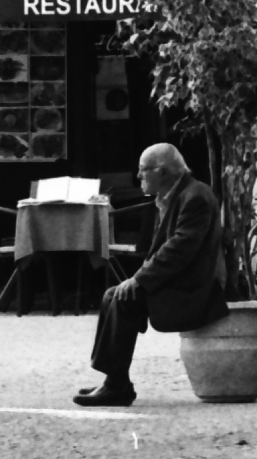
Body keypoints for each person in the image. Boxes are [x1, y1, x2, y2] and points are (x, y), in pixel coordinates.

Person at [74, 142, 230, 406]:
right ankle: (114, 381)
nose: (139, 176)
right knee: (113, 294)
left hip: (194, 288)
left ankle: (116, 386)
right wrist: (137, 280)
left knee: (123, 297)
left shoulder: (195, 197)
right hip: (180, 280)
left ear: (163, 172)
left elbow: (179, 250)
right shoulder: (176, 195)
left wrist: (139, 280)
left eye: (143, 170)